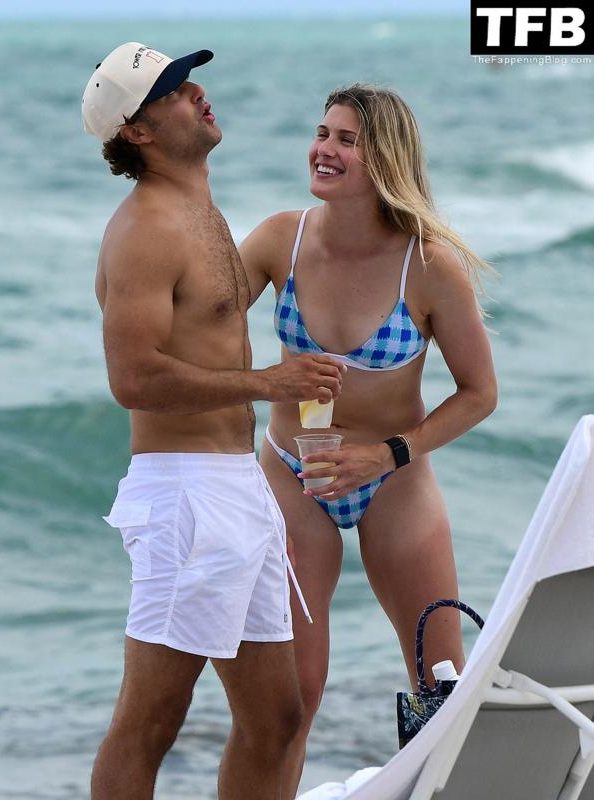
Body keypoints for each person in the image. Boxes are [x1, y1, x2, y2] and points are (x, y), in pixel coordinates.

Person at [81, 42, 346, 800]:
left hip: (234, 490)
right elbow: (132, 378)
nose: (196, 93)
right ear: (136, 131)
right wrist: (268, 382)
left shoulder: (200, 208)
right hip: (185, 499)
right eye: (171, 91)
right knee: (152, 722)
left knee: (278, 717)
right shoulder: (145, 229)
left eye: (189, 80)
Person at [240, 83, 498, 797]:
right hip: (293, 472)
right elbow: (197, 329)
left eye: (345, 140)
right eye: (322, 133)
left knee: (438, 687)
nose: (323, 149)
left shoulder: (428, 265)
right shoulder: (277, 241)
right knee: (291, 693)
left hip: (392, 480)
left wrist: (386, 454)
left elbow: (479, 392)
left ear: (383, 157)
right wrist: (269, 379)